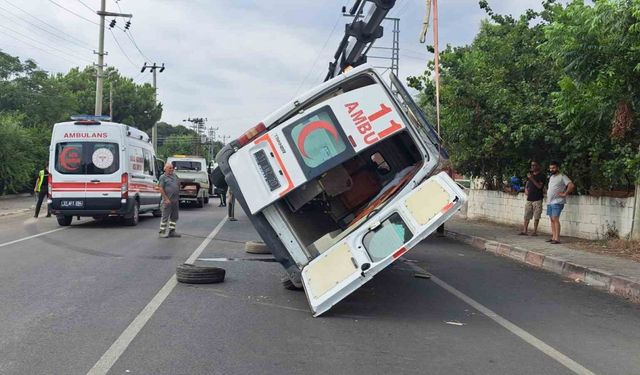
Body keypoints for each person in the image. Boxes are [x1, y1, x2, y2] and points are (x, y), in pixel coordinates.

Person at [546, 161, 575, 244]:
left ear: (557, 168)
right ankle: (553, 237)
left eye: (553, 168)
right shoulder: (551, 177)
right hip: (550, 201)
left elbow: (571, 185)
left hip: (557, 201)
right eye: (550, 168)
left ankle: (557, 239)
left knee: (555, 219)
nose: (552, 169)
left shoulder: (562, 176)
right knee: (552, 219)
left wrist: (565, 194)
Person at [520, 161, 545, 236]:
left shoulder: (542, 176)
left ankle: (535, 231)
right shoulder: (530, 175)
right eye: (532, 165)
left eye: (534, 165)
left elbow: (539, 186)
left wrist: (532, 178)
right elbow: (527, 183)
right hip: (529, 198)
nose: (532, 167)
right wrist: (526, 189)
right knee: (527, 215)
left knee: (536, 216)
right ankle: (525, 230)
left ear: (538, 166)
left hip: (537, 198)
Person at [158, 162, 181, 238]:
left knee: (174, 217)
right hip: (167, 200)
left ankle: (172, 231)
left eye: (172, 168)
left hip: (175, 200)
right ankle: (162, 232)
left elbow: (178, 183)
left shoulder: (175, 176)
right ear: (165, 169)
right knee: (165, 216)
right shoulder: (163, 177)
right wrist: (166, 198)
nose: (172, 169)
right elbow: (160, 188)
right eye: (170, 168)